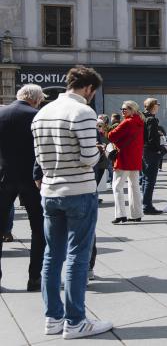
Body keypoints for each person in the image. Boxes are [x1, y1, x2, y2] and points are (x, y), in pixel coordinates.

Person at [31, 66, 113, 339]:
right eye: (93, 92)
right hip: (78, 190)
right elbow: (89, 157)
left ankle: (53, 318)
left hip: (50, 191)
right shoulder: (83, 112)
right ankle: (76, 321)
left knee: (52, 256)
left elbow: (39, 158)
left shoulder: (42, 113)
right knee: (78, 256)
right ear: (88, 88)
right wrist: (100, 151)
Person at [0, 85, 45, 292]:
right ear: (36, 99)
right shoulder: (37, 115)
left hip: (3, 176)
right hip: (31, 178)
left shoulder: (2, 113)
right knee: (38, 229)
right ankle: (34, 277)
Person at [107, 101, 145, 225]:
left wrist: (106, 131)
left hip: (124, 158)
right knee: (134, 187)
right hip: (135, 158)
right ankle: (137, 214)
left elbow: (111, 136)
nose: (123, 111)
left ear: (132, 109)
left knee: (117, 187)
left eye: (125, 109)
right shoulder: (139, 121)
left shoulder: (127, 122)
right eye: (122, 109)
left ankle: (120, 215)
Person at [141, 98, 163, 216]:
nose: (158, 107)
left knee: (145, 179)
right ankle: (147, 206)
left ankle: (145, 204)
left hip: (143, 150)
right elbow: (151, 138)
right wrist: (159, 150)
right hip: (151, 152)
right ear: (154, 106)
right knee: (150, 180)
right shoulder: (151, 119)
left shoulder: (142, 117)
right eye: (157, 105)